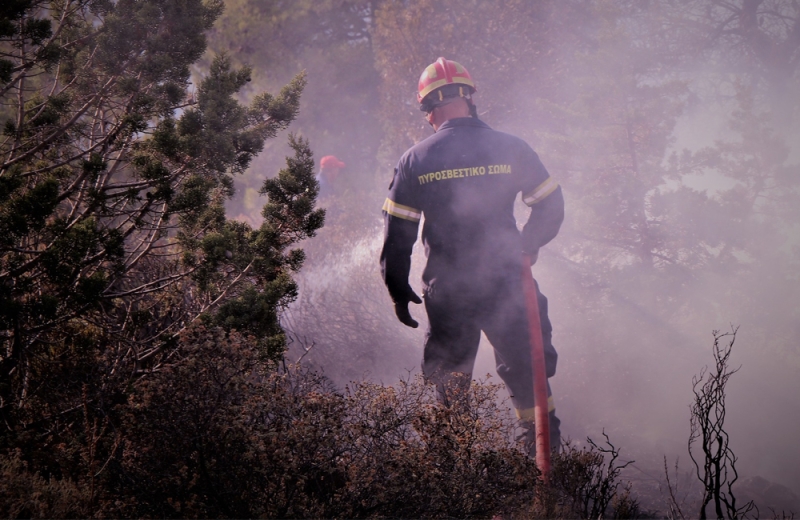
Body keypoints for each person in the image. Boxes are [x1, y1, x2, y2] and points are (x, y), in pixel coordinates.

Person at [379, 57, 565, 455]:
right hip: (508, 283)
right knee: (530, 380)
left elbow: (399, 236)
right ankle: (546, 479)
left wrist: (398, 287)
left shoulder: (416, 160)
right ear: (470, 100)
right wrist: (527, 244)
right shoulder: (512, 147)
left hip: (448, 292)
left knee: (450, 387)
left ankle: (460, 485)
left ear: (428, 110)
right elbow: (550, 205)